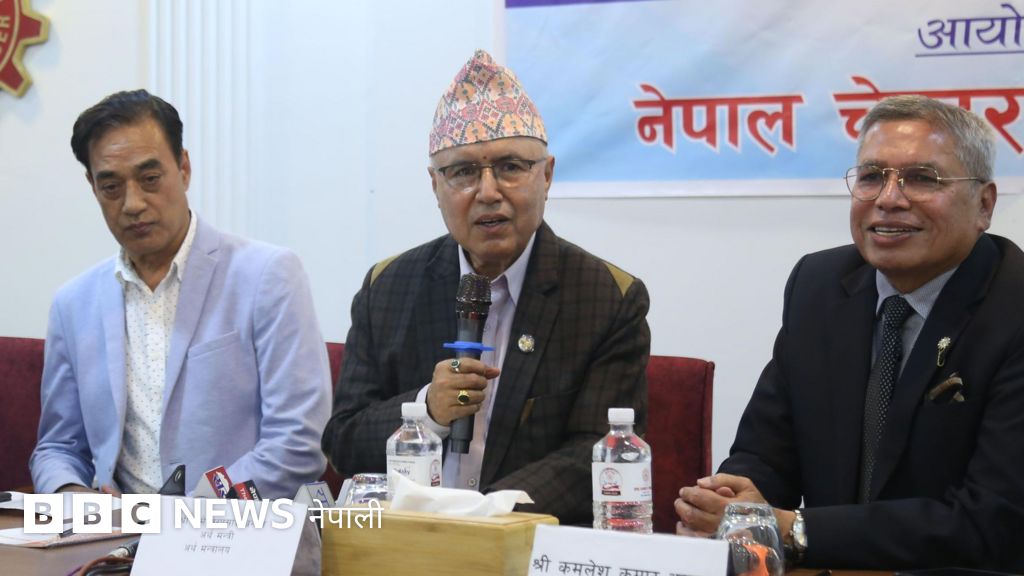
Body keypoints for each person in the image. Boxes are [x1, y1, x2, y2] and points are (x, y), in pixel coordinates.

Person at [676, 95, 1024, 571]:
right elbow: (766, 453)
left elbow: (992, 520)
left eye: (923, 178)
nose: (889, 198)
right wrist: (729, 504)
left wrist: (791, 528)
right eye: (872, 176)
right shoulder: (819, 285)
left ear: (984, 205)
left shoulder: (1012, 307)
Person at [321, 50, 650, 523]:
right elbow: (344, 441)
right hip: (409, 539)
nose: (489, 192)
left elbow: (594, 455)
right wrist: (427, 411)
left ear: (547, 175)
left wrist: (483, 514)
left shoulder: (607, 298)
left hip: (523, 540)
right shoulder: (387, 288)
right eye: (463, 172)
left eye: (511, 167)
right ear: (435, 186)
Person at [30, 90, 332, 499]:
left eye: (150, 179)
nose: (133, 204)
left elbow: (296, 443)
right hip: (114, 533)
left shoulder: (267, 275)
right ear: (93, 187)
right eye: (111, 187)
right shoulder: (73, 304)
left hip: (236, 528)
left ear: (184, 168)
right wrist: (72, 495)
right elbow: (58, 447)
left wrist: (179, 520)